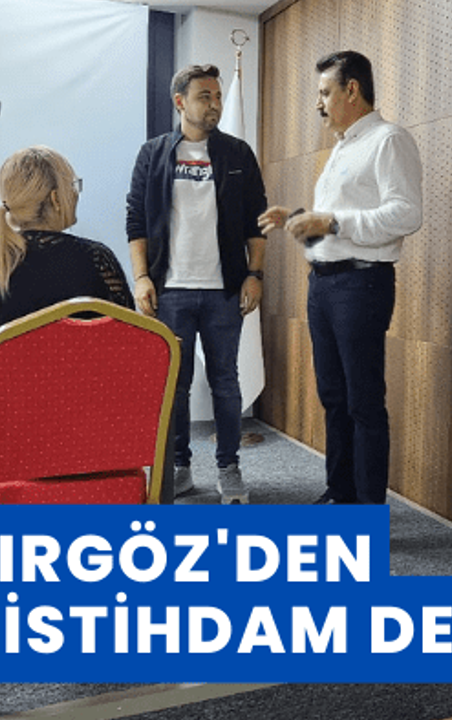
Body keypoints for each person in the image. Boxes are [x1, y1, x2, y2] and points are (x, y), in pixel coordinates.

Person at [258, 50, 422, 505]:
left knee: (363, 401)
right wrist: (298, 218)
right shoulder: (342, 148)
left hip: (361, 286)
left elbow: (406, 214)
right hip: (325, 285)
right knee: (333, 395)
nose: (319, 103)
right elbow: (339, 224)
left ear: (352, 90)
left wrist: (328, 221)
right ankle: (340, 494)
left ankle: (367, 512)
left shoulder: (389, 140)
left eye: (325, 92)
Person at [126, 64, 267, 504]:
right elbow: (136, 220)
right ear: (180, 101)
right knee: (176, 384)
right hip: (171, 290)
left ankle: (229, 468)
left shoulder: (237, 153)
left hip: (224, 289)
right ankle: (180, 466)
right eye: (205, 96)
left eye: (218, 96)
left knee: (225, 381)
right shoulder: (153, 154)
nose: (215, 105)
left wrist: (255, 274)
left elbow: (256, 222)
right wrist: (142, 277)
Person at [0, 145, 132, 461]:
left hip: (1, 438)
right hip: (89, 434)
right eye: (73, 186)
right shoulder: (96, 260)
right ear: (55, 198)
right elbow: (128, 350)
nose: (76, 194)